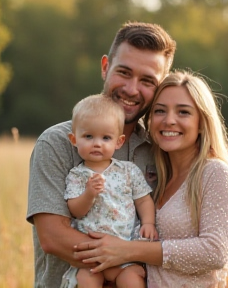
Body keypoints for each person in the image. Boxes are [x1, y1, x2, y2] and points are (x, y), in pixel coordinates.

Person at [73, 70, 228, 287]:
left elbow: (214, 252)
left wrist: (127, 251)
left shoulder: (215, 172)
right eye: (160, 111)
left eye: (183, 112)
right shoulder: (160, 176)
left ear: (201, 122)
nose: (169, 120)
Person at [26, 21, 176, 288]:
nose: (132, 89)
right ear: (105, 67)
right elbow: (53, 237)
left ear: (160, 86)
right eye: (124, 72)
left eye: (146, 81)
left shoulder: (161, 149)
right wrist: (124, 255)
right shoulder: (57, 143)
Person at [62, 94, 158, 288]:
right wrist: (89, 194)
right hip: (91, 258)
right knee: (86, 281)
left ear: (118, 142)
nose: (97, 143)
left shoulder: (128, 171)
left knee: (132, 280)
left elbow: (143, 200)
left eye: (106, 138)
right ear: (74, 139)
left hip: (125, 252)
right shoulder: (77, 175)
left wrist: (149, 223)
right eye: (88, 136)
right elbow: (75, 210)